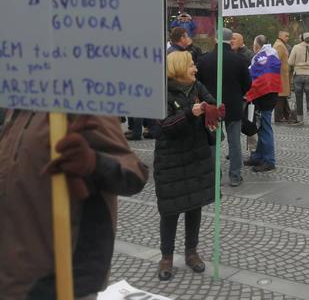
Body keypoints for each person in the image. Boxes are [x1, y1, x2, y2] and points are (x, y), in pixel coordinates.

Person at [0, 110, 148, 298]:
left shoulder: (81, 100)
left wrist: (93, 162)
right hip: (13, 272)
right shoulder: (18, 105)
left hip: (61, 277)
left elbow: (135, 175)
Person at [154, 51, 221, 280]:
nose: (195, 68)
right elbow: (166, 125)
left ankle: (191, 252)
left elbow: (210, 102)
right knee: (170, 211)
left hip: (196, 156)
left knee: (195, 206)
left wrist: (213, 111)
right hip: (171, 160)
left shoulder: (197, 87)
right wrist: (190, 113)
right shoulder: (162, 92)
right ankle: (166, 257)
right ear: (180, 68)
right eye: (191, 64)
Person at [196, 28, 252, 187]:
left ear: (215, 39)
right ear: (231, 40)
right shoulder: (240, 59)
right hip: (233, 106)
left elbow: (197, 84)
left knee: (213, 142)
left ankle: (215, 177)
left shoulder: (204, 59)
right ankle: (235, 176)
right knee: (234, 142)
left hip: (212, 106)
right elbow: (248, 84)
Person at [244, 35, 282, 172]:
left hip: (264, 97)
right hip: (270, 95)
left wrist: (247, 93)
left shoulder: (261, 57)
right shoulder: (272, 55)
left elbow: (255, 77)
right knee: (260, 127)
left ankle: (269, 160)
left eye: (254, 44)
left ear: (257, 45)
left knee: (265, 128)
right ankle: (258, 155)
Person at [289, 32, 309, 125]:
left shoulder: (296, 47)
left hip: (298, 74)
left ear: (302, 39)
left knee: (298, 97)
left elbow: (290, 62)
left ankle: (300, 118)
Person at [273, 30, 296, 123]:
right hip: (280, 75)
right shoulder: (279, 45)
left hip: (283, 75)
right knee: (280, 97)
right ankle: (278, 117)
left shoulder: (281, 44)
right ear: (281, 36)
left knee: (283, 97)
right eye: (286, 36)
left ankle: (287, 115)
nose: (288, 38)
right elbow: (275, 60)